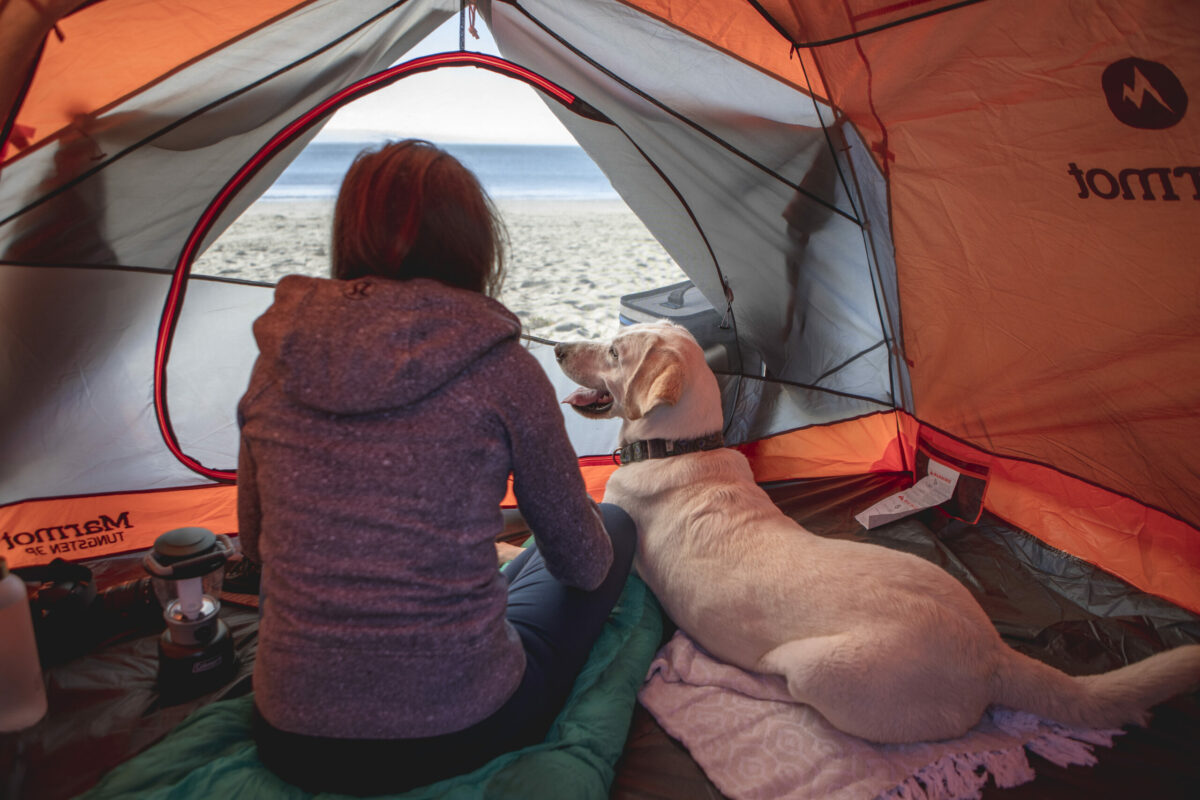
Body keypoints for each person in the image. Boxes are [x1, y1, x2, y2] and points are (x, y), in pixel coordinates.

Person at [236, 139, 636, 795]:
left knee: (543, 551)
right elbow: (583, 565)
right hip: (462, 723)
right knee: (610, 524)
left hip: (288, 732)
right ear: (473, 241)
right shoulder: (501, 366)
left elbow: (254, 545)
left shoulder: (276, 358)